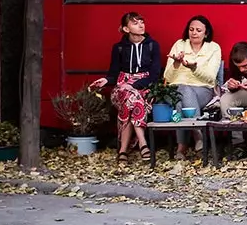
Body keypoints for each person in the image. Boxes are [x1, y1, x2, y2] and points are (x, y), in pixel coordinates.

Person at [90, 11, 162, 165]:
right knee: (130, 98)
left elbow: (155, 74)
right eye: (135, 23)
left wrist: (134, 85)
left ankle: (123, 150)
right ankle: (143, 144)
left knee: (132, 102)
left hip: (145, 86)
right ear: (126, 29)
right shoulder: (119, 48)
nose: (141, 25)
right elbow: (114, 73)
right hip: (122, 86)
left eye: (141, 22)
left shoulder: (152, 45)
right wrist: (106, 80)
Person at [164, 14, 222, 158]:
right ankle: (199, 139)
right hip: (175, 89)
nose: (194, 33)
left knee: (182, 94)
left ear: (206, 33)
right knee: (181, 92)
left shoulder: (213, 48)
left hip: (203, 90)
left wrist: (193, 68)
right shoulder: (179, 45)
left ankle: (181, 148)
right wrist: (176, 64)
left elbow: (210, 78)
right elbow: (168, 77)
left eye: (198, 30)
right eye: (191, 29)